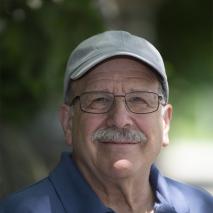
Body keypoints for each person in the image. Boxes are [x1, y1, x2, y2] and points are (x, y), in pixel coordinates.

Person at [0, 31, 212, 213]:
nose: (120, 120)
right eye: (99, 100)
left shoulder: (200, 206)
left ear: (165, 123)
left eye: (139, 100)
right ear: (68, 122)